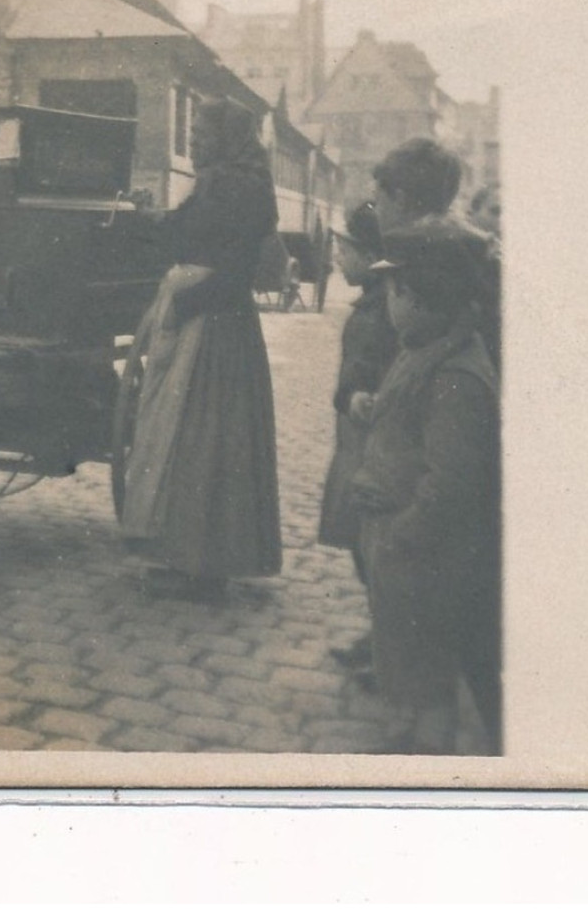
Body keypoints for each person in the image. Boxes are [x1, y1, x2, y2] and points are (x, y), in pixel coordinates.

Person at [120, 98, 282, 601]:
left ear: (229, 136)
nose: (193, 139)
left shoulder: (239, 189)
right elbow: (182, 237)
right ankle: (186, 557)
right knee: (186, 438)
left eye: (203, 130)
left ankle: (204, 566)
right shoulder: (217, 183)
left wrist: (186, 300)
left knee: (203, 440)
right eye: (191, 130)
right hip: (201, 317)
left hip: (215, 327)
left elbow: (236, 272)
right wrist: (147, 217)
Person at [351, 217, 502, 755]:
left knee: (427, 666)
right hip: (400, 542)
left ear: (420, 297)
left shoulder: (456, 377)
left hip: (424, 549)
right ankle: (405, 736)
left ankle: (427, 755)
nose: (389, 303)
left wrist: (405, 533)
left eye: (394, 291)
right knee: (400, 654)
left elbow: (453, 480)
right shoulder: (422, 350)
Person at [318, 202, 398, 669]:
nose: (338, 259)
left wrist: (356, 396)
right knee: (359, 539)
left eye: (345, 250)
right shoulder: (373, 303)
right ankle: (382, 634)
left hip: (367, 439)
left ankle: (389, 643)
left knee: (370, 539)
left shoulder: (381, 309)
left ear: (370, 255)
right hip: (353, 436)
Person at [373, 138, 501, 370]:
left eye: (378, 203)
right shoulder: (473, 251)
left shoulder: (413, 264)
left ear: (400, 200)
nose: (377, 214)